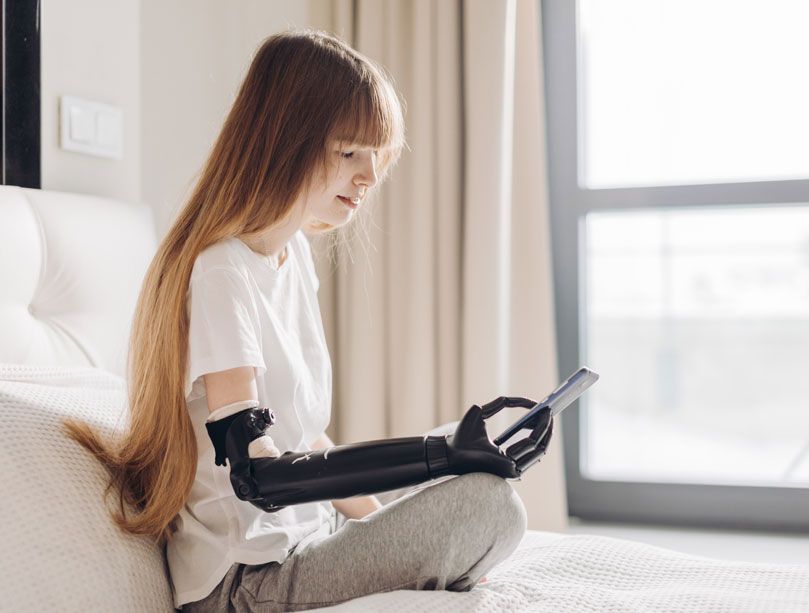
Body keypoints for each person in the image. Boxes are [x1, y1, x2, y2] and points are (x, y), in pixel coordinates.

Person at [63, 28, 553, 612]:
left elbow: (306, 438)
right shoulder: (221, 274)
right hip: (246, 583)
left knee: (480, 500)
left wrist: (391, 522)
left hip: (309, 543)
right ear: (284, 141)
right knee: (488, 506)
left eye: (377, 156)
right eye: (350, 153)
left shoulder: (290, 256)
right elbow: (259, 476)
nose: (370, 177)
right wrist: (442, 454)